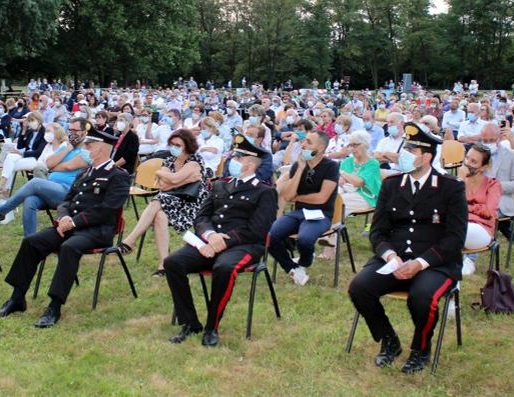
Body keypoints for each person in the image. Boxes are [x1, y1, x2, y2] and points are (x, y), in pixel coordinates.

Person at [347, 122, 467, 373]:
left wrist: (420, 263)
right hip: (395, 258)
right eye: (406, 148)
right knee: (359, 287)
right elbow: (378, 231)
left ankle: (420, 350)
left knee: (422, 298)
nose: (405, 154)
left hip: (435, 262)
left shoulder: (451, 188)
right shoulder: (392, 185)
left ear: (427, 156)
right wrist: (390, 255)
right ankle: (389, 341)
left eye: (412, 151)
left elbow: (455, 238)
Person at [0, 128, 131, 329]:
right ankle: (17, 298)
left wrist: (74, 222)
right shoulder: (85, 172)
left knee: (69, 248)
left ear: (101, 149)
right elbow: (67, 200)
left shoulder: (118, 176)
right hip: (70, 226)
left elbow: (106, 210)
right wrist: (64, 216)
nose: (87, 149)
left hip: (97, 231)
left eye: (90, 146)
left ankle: (54, 306)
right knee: (32, 242)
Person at [163, 136, 276, 347]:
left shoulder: (265, 192)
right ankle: (190, 322)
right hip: (210, 241)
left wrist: (224, 242)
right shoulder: (220, 186)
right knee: (173, 262)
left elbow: (257, 230)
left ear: (250, 163)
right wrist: (210, 236)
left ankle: (211, 326)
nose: (232, 160)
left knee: (224, 267)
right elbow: (201, 218)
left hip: (243, 245)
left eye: (237, 157)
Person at [117, 129, 212, 276]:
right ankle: (163, 264)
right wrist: (183, 179)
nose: (174, 147)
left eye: (178, 145)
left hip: (190, 204)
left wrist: (161, 173)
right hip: (169, 201)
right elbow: (163, 186)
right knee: (160, 215)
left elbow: (171, 181)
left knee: (158, 200)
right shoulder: (169, 161)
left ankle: (130, 240)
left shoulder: (194, 161)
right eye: (172, 144)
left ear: (187, 146)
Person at [0, 121, 89, 236]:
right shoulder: (66, 146)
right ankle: (29, 241)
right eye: (70, 130)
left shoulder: (87, 150)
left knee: (35, 182)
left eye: (75, 131)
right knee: (30, 200)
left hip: (68, 192)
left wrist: (55, 167)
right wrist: (68, 148)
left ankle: (0, 211)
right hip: (51, 187)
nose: (72, 133)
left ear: (84, 132)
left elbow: (68, 166)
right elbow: (49, 163)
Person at [268, 130, 339, 286]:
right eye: (304, 141)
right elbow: (287, 195)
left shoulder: (331, 167)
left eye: (308, 142)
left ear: (320, 148)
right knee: (270, 236)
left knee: (305, 240)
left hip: (321, 214)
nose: (303, 144)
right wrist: (300, 169)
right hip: (299, 212)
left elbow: (322, 198)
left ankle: (305, 261)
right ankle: (292, 268)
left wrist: (298, 197)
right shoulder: (298, 165)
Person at [320, 130, 381, 259]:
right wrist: (344, 177)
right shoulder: (347, 162)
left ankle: (329, 248)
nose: (352, 148)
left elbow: (359, 182)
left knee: (337, 204)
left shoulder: (372, 163)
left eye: (355, 145)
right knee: (330, 201)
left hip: (366, 196)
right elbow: (341, 180)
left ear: (365, 145)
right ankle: (327, 236)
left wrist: (343, 174)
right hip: (347, 191)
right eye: (350, 145)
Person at [458, 144, 501, 275]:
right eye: (467, 158)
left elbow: (488, 212)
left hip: (481, 228)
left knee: (459, 230)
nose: (467, 163)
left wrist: (466, 206)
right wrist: (460, 181)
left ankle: (468, 260)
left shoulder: (493, 185)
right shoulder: (457, 181)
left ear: (484, 167)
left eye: (473, 161)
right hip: (459, 223)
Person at [0, 112, 47, 197]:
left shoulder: (44, 133)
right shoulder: (30, 131)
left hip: (36, 159)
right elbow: (20, 146)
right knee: (10, 157)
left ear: (39, 120)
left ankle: (4, 191)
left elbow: (39, 152)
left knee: (10, 166)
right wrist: (23, 131)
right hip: (26, 155)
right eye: (29, 120)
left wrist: (21, 153)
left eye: (32, 120)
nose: (30, 122)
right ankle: (3, 185)